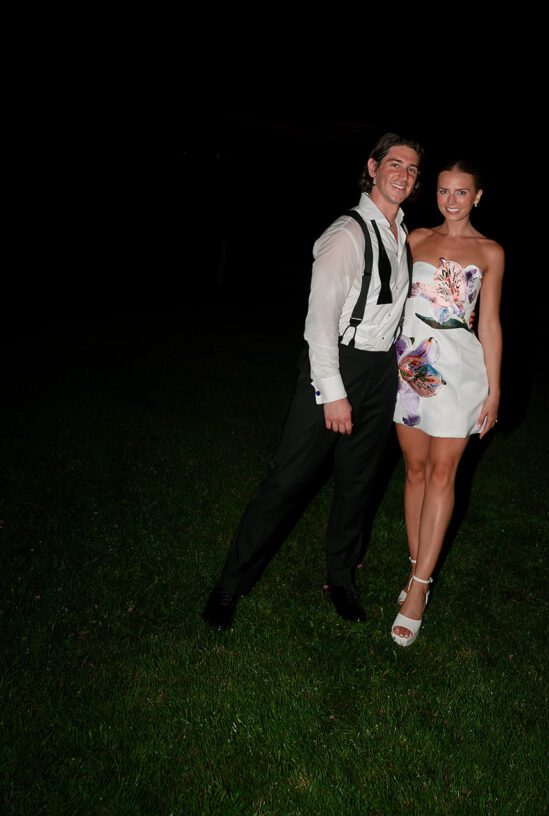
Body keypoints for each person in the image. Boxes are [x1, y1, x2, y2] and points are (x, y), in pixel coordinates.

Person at [202, 132, 424, 629]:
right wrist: (334, 393)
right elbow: (318, 321)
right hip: (335, 366)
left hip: (380, 372)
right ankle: (229, 586)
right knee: (287, 481)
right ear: (372, 167)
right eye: (394, 164)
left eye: (411, 169)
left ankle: (341, 580)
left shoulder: (401, 233)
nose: (403, 175)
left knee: (357, 485)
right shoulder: (346, 234)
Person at [390, 160, 504, 645]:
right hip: (411, 364)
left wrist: (495, 390)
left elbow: (490, 323)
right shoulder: (415, 238)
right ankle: (420, 564)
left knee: (442, 472)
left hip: (459, 368)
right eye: (443, 191)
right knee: (415, 470)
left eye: (461, 192)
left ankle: (418, 589)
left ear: (477, 196)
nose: (451, 199)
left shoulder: (490, 251)